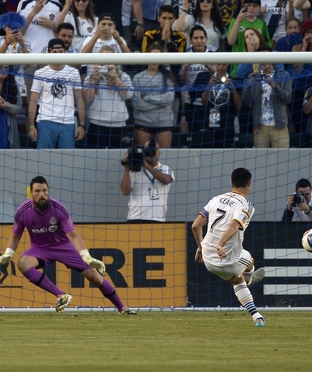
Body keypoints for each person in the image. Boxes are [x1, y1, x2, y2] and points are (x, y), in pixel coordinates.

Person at [0, 175, 137, 315]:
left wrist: (87, 257)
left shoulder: (58, 209)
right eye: (37, 191)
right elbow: (15, 235)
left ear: (48, 191)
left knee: (95, 277)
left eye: (44, 190)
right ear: (31, 193)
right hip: (39, 249)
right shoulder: (22, 212)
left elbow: (73, 236)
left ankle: (122, 308)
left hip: (63, 246)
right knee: (23, 263)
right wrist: (8, 254)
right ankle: (61, 295)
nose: (42, 194)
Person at [191, 167, 266, 327]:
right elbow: (233, 226)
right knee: (250, 260)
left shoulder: (215, 199)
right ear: (249, 184)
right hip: (228, 258)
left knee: (237, 280)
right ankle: (250, 279)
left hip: (208, 262)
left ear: (231, 182)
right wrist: (220, 244)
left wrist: (200, 246)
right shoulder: (246, 206)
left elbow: (196, 226)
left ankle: (257, 317)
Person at [27, 38, 86, 148]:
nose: (58, 54)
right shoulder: (40, 73)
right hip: (45, 122)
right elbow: (33, 101)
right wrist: (31, 125)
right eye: (54, 52)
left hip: (68, 123)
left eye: (60, 51)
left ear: (65, 52)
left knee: (67, 161)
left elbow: (79, 99)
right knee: (44, 160)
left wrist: (82, 125)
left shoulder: (73, 73)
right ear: (49, 52)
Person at [241, 47, 293, 148]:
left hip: (279, 125)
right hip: (260, 126)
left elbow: (287, 98)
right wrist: (248, 87)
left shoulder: (283, 75)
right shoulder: (253, 77)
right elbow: (246, 102)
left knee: (282, 159)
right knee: (260, 160)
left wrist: (274, 86)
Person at [131, 43, 177, 148]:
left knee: (164, 157)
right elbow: (137, 103)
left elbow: (169, 98)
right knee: (142, 157)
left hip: (164, 123)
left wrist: (147, 98)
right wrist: (161, 104)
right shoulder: (138, 78)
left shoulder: (168, 77)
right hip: (142, 123)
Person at [82, 54, 133, 148]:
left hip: (118, 124)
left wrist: (115, 77)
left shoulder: (123, 76)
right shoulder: (91, 76)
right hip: (96, 123)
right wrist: (92, 80)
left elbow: (129, 95)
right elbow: (88, 99)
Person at [120, 139, 175, 222]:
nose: (151, 152)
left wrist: (147, 166)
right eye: (148, 150)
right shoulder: (135, 169)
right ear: (143, 152)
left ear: (159, 152)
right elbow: (125, 191)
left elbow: (166, 180)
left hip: (158, 218)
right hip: (135, 218)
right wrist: (127, 168)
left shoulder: (165, 168)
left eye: (154, 149)